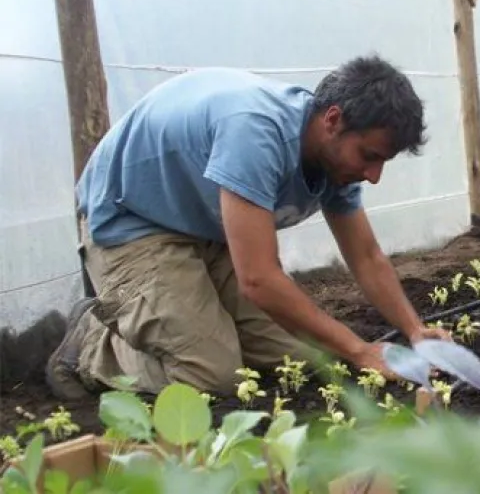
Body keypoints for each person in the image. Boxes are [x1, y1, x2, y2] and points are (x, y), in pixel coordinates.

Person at [46, 56, 451, 400]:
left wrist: (414, 330)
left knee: (308, 357)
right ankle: (91, 348)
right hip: (131, 223)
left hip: (201, 227)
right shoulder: (256, 133)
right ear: (333, 120)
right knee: (213, 375)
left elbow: (365, 256)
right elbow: (258, 279)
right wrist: (362, 351)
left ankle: (196, 326)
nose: (374, 175)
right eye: (370, 156)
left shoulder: (335, 163)